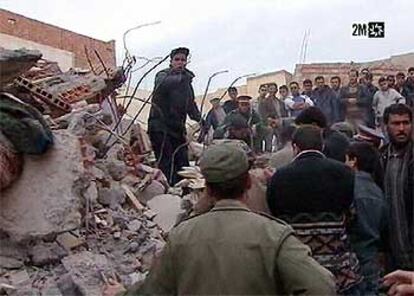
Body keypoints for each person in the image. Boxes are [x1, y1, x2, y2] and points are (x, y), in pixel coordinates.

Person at [131, 143, 336, 295]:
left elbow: (152, 291)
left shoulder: (181, 236)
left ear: (208, 189)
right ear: (248, 182)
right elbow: (321, 287)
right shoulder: (274, 235)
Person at [267, 125, 361, 294]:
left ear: (295, 147)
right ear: (322, 146)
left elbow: (275, 220)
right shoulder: (345, 173)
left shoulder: (279, 178)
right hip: (338, 269)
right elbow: (352, 216)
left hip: (299, 267)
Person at [148, 47, 202, 185]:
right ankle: (168, 193)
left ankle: (183, 192)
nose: (180, 62)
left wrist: (201, 120)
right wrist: (183, 78)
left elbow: (190, 105)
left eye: (183, 60)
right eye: (177, 60)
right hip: (160, 127)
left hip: (177, 129)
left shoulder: (186, 83)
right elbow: (162, 85)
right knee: (166, 164)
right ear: (171, 62)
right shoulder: (162, 75)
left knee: (182, 164)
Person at [345, 142, 387, 295]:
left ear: (353, 160)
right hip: (372, 258)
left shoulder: (349, 187)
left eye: (346, 159)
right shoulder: (378, 191)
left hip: (353, 257)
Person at [380, 104, 413, 270]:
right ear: (386, 126)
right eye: (396, 123)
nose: (402, 128)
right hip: (392, 251)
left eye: (406, 123)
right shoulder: (381, 157)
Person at [258, 83, 283, 152]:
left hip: (280, 124)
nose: (272, 91)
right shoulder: (263, 102)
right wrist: (272, 122)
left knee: (281, 143)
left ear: (276, 90)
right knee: (269, 139)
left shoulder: (280, 102)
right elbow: (263, 115)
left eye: (274, 89)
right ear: (268, 90)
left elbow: (283, 114)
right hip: (269, 125)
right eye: (270, 89)